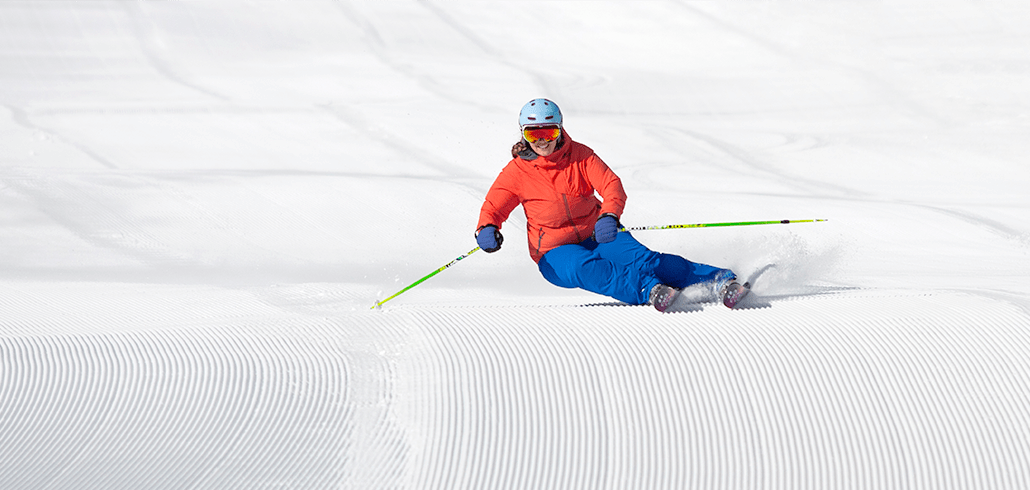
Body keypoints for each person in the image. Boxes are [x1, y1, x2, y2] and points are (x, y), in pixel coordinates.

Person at [475, 98, 749, 311]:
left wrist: (609, 215)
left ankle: (719, 281)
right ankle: (649, 291)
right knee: (584, 266)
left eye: (549, 131)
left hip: (597, 232)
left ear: (560, 130)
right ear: (523, 135)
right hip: (554, 252)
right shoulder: (516, 172)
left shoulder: (580, 156)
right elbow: (494, 206)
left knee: (644, 260)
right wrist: (486, 228)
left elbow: (611, 186)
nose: (543, 141)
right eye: (534, 135)